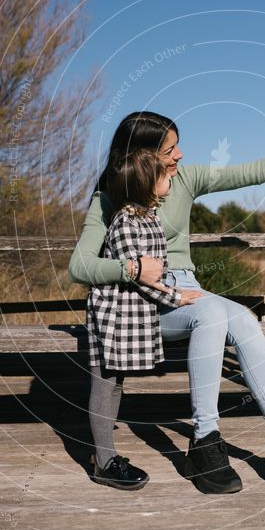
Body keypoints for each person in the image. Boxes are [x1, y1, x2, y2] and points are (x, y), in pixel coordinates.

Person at [69, 111, 265, 494]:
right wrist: (132, 268)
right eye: (171, 150)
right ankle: (205, 441)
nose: (180, 156)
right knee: (210, 313)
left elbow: (248, 173)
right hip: (145, 303)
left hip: (188, 291)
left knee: (242, 319)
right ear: (142, 156)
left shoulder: (184, 180)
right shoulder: (109, 198)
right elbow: (80, 265)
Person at [87, 147, 204, 490]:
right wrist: (176, 296)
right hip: (111, 313)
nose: (173, 176)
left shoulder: (148, 217)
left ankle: (104, 455)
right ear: (147, 185)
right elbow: (142, 277)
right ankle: (103, 460)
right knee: (104, 382)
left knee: (115, 383)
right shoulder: (126, 222)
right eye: (165, 176)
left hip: (128, 313)